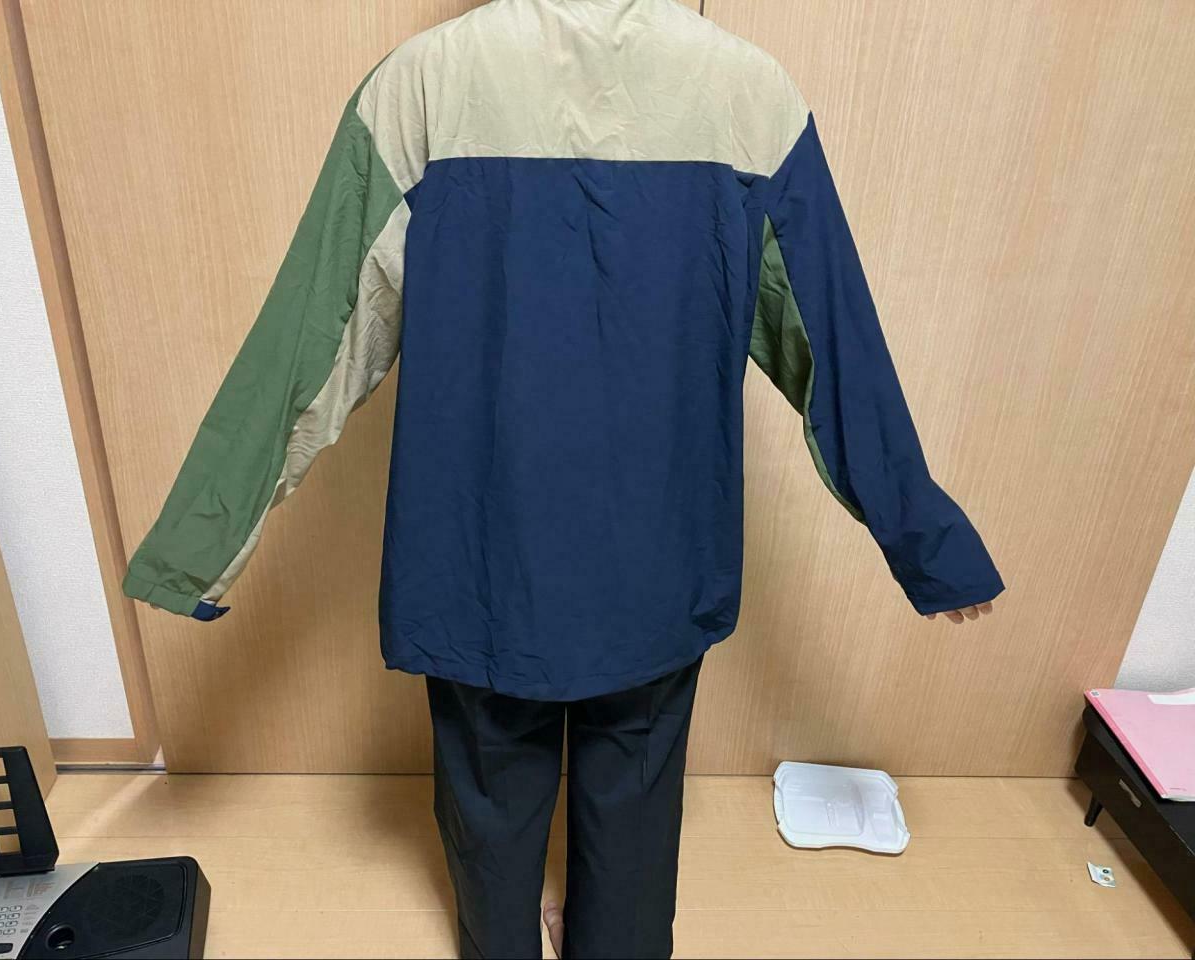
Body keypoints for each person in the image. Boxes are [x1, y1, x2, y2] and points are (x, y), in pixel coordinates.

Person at [121, 1, 1003, 956]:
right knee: (636, 789)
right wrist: (926, 539)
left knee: (490, 792)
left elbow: (315, 336)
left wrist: (199, 541)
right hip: (657, 557)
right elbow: (831, 342)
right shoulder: (749, 96)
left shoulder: (421, 87)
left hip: (481, 554)